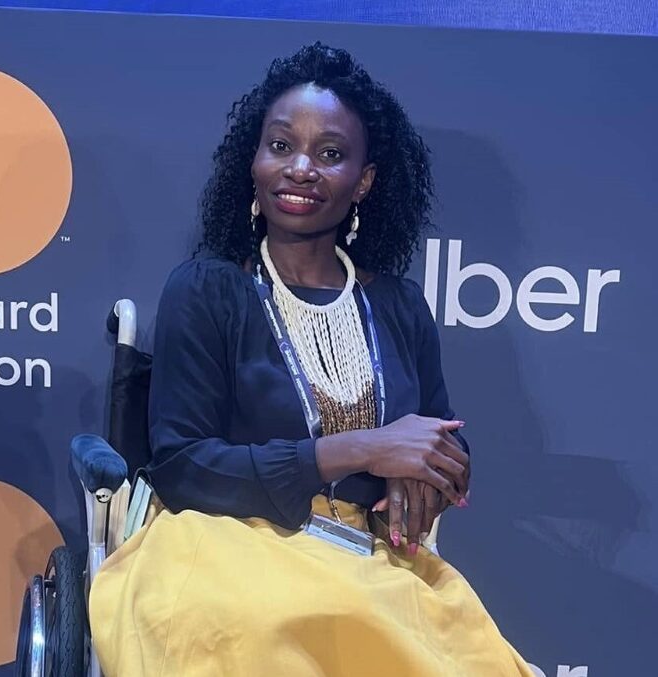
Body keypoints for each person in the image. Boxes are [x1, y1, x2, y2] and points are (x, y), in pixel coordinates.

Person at [89, 42, 534, 676]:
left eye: (329, 154)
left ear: (365, 180)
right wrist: (367, 449)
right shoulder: (208, 288)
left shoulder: (399, 305)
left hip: (371, 559)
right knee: (269, 631)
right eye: (280, 146)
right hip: (226, 547)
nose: (300, 168)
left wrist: (432, 477)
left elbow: (441, 442)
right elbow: (184, 466)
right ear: (253, 162)